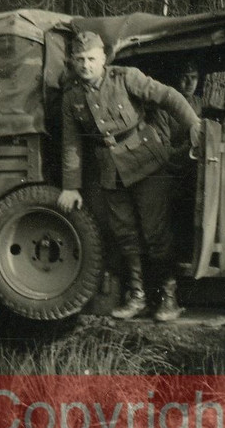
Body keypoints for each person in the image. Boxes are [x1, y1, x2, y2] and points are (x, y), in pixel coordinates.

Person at [57, 31, 202, 322]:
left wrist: (193, 125)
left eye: (91, 59)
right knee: (125, 234)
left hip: (147, 162)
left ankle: (167, 297)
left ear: (103, 59)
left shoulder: (126, 78)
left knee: (155, 232)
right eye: (80, 59)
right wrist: (70, 186)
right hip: (110, 170)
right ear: (73, 61)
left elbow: (168, 96)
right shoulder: (72, 97)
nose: (86, 65)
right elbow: (72, 142)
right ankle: (136, 296)